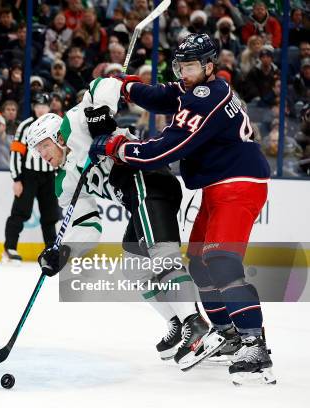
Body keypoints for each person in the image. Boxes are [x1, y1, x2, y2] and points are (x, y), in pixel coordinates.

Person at [89, 34, 274, 385]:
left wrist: (119, 147)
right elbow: (164, 95)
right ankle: (227, 333)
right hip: (220, 186)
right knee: (201, 264)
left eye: (188, 66)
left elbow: (164, 150)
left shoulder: (206, 98)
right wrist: (127, 89)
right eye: (179, 65)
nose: (182, 72)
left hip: (240, 186)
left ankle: (255, 342)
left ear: (208, 66)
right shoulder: (200, 88)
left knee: (221, 261)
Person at [27, 80, 214, 369]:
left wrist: (100, 111)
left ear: (56, 136)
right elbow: (87, 225)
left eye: (43, 146)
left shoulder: (74, 123)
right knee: (133, 267)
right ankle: (178, 323)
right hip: (135, 195)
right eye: (37, 150)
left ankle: (197, 325)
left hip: (145, 178)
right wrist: (62, 253)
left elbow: (104, 83)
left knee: (161, 255)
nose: (42, 154)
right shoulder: (65, 181)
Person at [3, 93, 58, 263]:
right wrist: (17, 179)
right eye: (38, 106)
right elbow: (16, 153)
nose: (41, 110)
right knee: (21, 212)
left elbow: (62, 149)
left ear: (49, 107)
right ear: (34, 108)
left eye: (44, 106)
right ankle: (9, 248)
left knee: (50, 215)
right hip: (28, 176)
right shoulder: (25, 126)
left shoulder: (56, 125)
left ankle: (51, 250)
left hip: (49, 175)